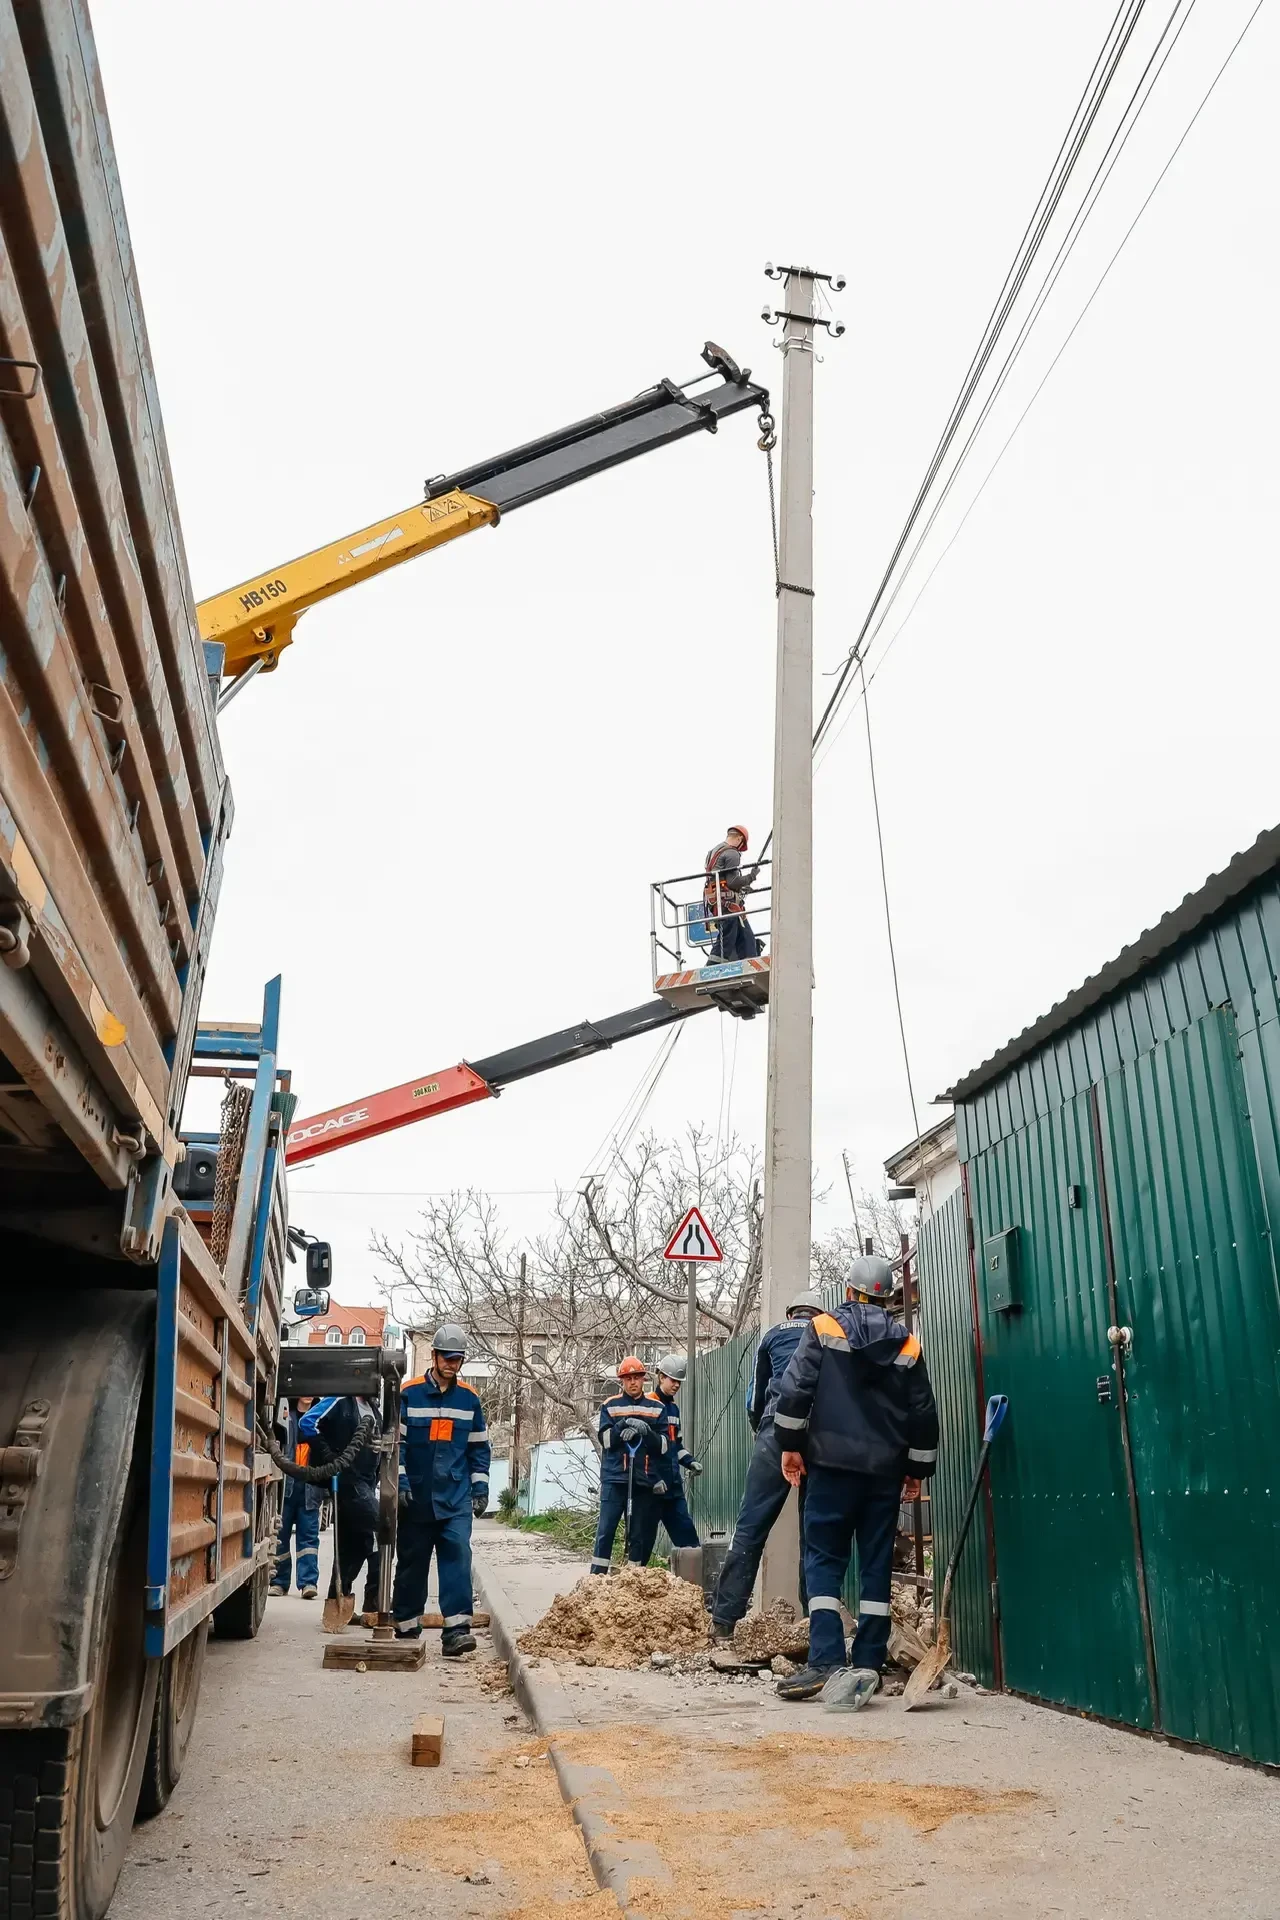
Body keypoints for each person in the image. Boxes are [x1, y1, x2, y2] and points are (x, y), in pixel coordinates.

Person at [772, 1254, 939, 1705]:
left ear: (848, 1292)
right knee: (875, 1562)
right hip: (883, 1473)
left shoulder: (824, 1329)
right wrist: (917, 1469)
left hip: (830, 1467)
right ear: (889, 1298)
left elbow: (794, 1390)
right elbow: (922, 1410)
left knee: (824, 1558)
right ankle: (867, 1660)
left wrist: (789, 1444)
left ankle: (825, 1658)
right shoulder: (907, 1344)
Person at [709, 1288, 823, 1640]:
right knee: (815, 1532)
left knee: (751, 1527)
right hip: (821, 1434)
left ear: (791, 1313)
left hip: (775, 1432)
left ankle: (725, 1620)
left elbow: (755, 1394)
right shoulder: (829, 1334)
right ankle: (817, 1623)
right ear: (819, 1314)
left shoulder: (773, 1335)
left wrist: (764, 1430)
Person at [391, 1324, 490, 1656]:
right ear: (433, 1356)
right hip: (416, 1497)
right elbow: (397, 1447)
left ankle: (456, 1631)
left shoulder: (469, 1400)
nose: (452, 1364)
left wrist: (480, 1489)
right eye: (447, 1358)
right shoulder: (409, 1394)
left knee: (458, 1556)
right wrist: (401, 1484)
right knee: (411, 1562)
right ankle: (406, 1626)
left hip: (455, 1496)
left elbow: (478, 1448)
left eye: (457, 1360)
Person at [299, 1388, 383, 1620]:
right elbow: (308, 1422)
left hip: (365, 1483)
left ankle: (336, 1606)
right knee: (380, 1532)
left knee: (350, 1544)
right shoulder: (340, 1401)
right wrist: (330, 1456)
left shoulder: (375, 1409)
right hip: (348, 1481)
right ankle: (374, 1604)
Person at [589, 1357, 669, 1573]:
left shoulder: (657, 1408)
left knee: (638, 1535)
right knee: (606, 1531)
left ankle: (633, 1581)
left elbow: (663, 1447)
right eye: (628, 1379)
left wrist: (646, 1432)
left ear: (643, 1379)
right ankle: (596, 1581)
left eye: (637, 1378)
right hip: (615, 1480)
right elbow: (605, 1441)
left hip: (642, 1481)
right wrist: (622, 1425)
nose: (633, 1382)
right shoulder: (610, 1406)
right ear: (622, 1381)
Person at [270, 1395, 321, 1599]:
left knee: (308, 1538)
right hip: (287, 1486)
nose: (307, 1394)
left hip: (310, 1487)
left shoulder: (321, 1417)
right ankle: (280, 1582)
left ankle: (308, 1582)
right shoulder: (285, 1415)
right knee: (281, 1537)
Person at [650, 1354, 703, 1551]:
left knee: (689, 1541)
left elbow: (675, 1446)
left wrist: (690, 1461)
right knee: (643, 1541)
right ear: (661, 1377)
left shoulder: (673, 1409)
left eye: (679, 1382)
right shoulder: (647, 1406)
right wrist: (652, 1479)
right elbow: (644, 1452)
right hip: (652, 1486)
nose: (676, 1386)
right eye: (673, 1380)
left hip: (673, 1485)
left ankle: (691, 1579)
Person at [704, 825, 762, 963]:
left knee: (746, 937)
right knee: (727, 939)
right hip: (727, 903)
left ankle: (750, 962)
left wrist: (743, 888)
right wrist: (751, 876)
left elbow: (722, 879)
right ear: (739, 839)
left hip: (719, 901)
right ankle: (712, 967)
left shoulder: (713, 852)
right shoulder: (732, 853)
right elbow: (733, 881)